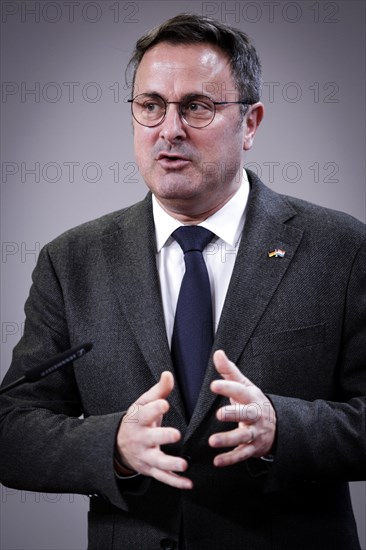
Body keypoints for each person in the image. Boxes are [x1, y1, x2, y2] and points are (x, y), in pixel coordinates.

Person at [0, 12, 365, 550]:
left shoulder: (342, 249)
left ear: (251, 122)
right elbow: (12, 432)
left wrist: (283, 429)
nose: (169, 129)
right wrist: (113, 446)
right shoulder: (71, 260)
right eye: (150, 106)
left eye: (197, 106)